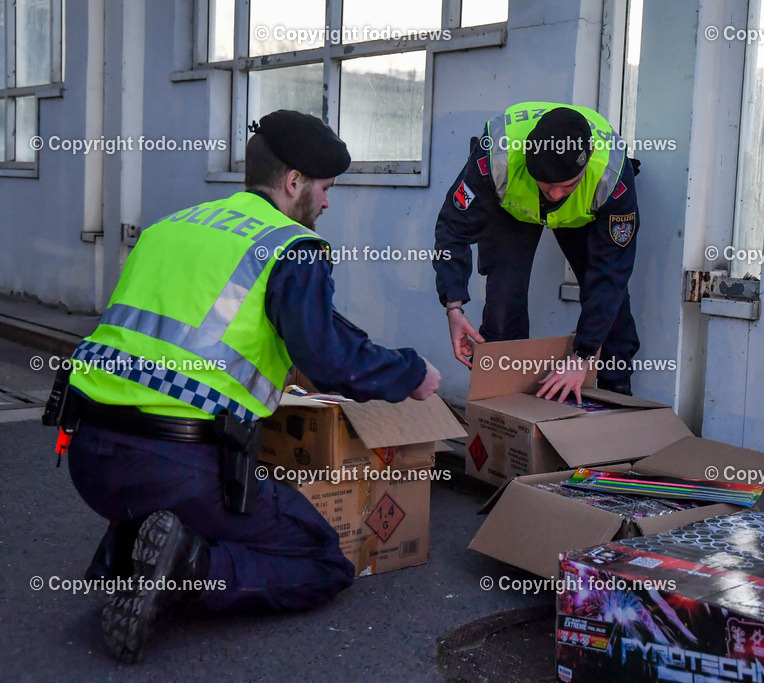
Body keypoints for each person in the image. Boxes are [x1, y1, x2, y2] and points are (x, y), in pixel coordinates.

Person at [58, 110, 441, 663]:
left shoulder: (171, 227)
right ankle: (189, 564)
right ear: (294, 183)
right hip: (178, 465)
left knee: (175, 494)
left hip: (89, 455)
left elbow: (296, 333)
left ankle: (133, 553)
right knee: (323, 560)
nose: (328, 203)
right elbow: (329, 360)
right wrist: (411, 373)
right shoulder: (290, 246)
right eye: (326, 189)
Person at [433, 102, 641, 403]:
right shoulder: (496, 156)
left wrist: (583, 357)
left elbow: (611, 274)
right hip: (514, 210)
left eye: (566, 185)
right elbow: (452, 229)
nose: (555, 195)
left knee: (615, 315)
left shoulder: (612, 174)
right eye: (547, 185)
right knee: (502, 313)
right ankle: (499, 420)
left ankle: (615, 402)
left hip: (582, 217)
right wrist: (453, 306)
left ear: (587, 163)